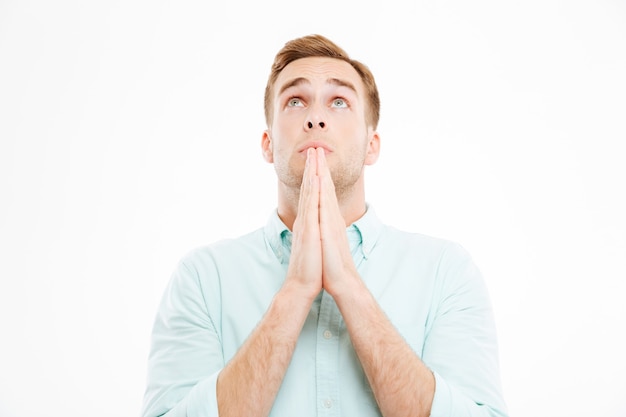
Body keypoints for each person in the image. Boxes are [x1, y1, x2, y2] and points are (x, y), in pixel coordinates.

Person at [141, 34, 508, 417]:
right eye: (295, 101)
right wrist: (296, 290)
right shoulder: (202, 278)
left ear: (372, 145)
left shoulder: (446, 272)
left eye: (339, 102)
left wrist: (347, 283)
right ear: (267, 143)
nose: (315, 117)